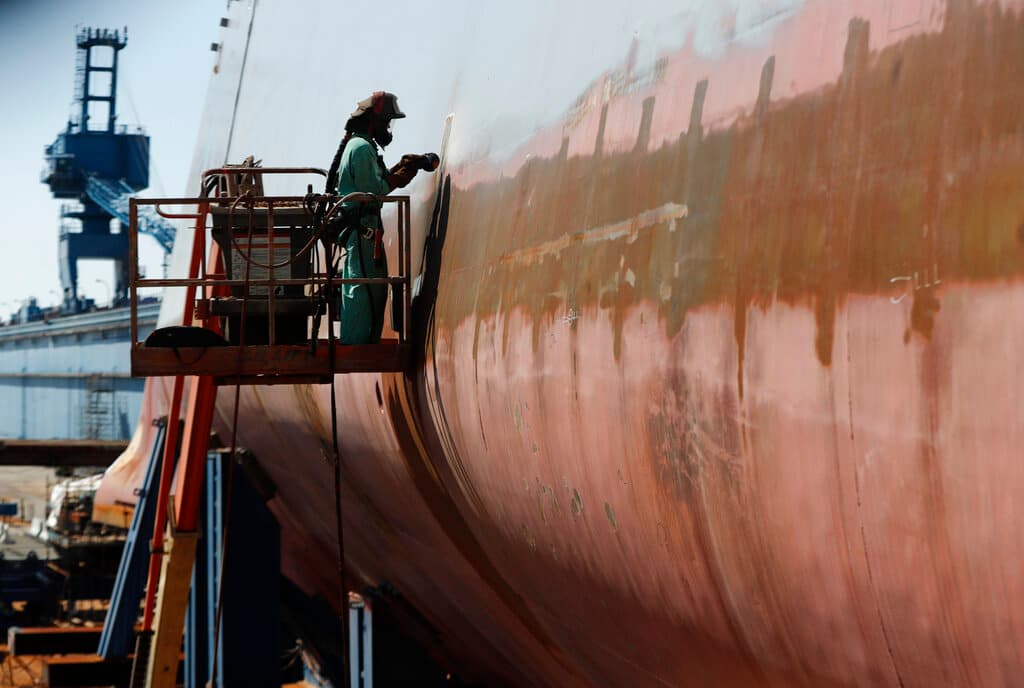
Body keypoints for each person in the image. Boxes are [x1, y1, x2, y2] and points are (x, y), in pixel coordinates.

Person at [324, 92, 419, 344]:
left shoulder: (363, 147)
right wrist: (400, 177)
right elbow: (374, 190)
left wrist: (403, 167)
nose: (387, 127)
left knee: (372, 289)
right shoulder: (362, 148)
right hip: (362, 233)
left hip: (366, 234)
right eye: (386, 121)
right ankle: (356, 347)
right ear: (371, 121)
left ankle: (364, 344)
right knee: (362, 291)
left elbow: (380, 179)